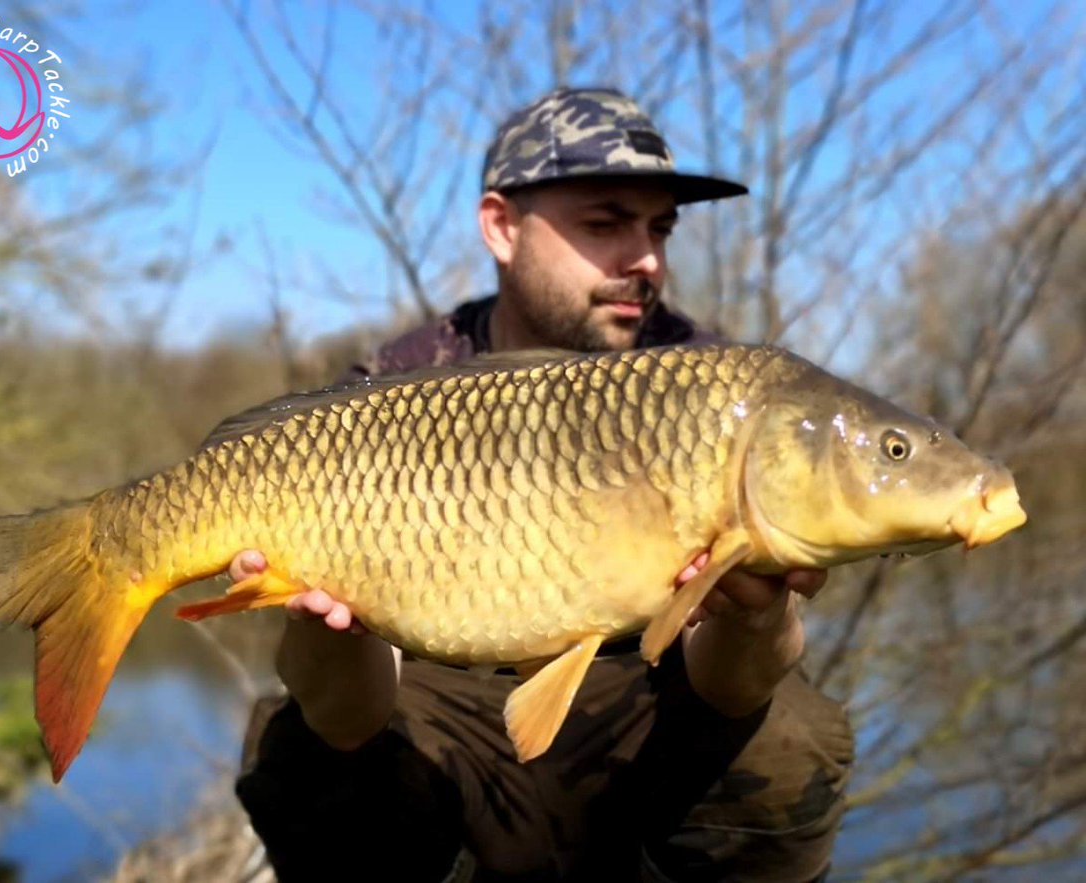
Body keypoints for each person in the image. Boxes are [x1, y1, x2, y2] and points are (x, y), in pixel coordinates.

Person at [232, 87, 852, 882]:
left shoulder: (712, 389)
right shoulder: (390, 390)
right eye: (606, 222)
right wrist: (327, 634)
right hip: (433, 694)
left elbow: (731, 687)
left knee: (791, 734)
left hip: (641, 696)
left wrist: (754, 622)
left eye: (660, 227)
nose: (647, 259)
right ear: (500, 225)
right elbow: (347, 716)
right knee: (305, 754)